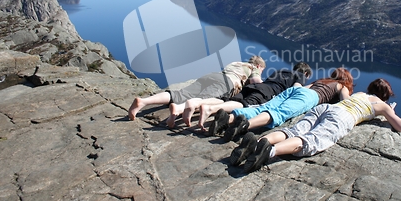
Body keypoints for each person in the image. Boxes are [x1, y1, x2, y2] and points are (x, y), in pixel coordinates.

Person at [232, 78, 401, 173]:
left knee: (292, 130)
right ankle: (270, 151)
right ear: (386, 95)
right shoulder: (382, 105)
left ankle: (255, 144)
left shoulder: (361, 93)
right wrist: (390, 111)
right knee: (310, 140)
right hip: (343, 118)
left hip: (327, 108)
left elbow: (346, 100)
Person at [212, 67, 354, 142]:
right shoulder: (342, 86)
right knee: (279, 113)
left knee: (265, 107)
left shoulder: (323, 81)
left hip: (295, 90)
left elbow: (304, 88)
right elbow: (345, 101)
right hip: (311, 97)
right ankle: (245, 125)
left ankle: (228, 119)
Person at [128, 56, 266, 128]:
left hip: (212, 76)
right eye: (262, 70)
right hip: (226, 83)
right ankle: (177, 110)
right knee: (209, 99)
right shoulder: (254, 68)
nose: (260, 71)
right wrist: (263, 81)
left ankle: (144, 101)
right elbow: (256, 82)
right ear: (259, 65)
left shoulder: (237, 63)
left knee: (180, 93)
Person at [199, 62, 313, 132]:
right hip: (269, 92)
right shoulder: (301, 76)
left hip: (258, 86)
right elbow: (296, 89)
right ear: (306, 74)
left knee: (232, 100)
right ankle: (211, 109)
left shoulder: (281, 71)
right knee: (245, 104)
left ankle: (203, 105)